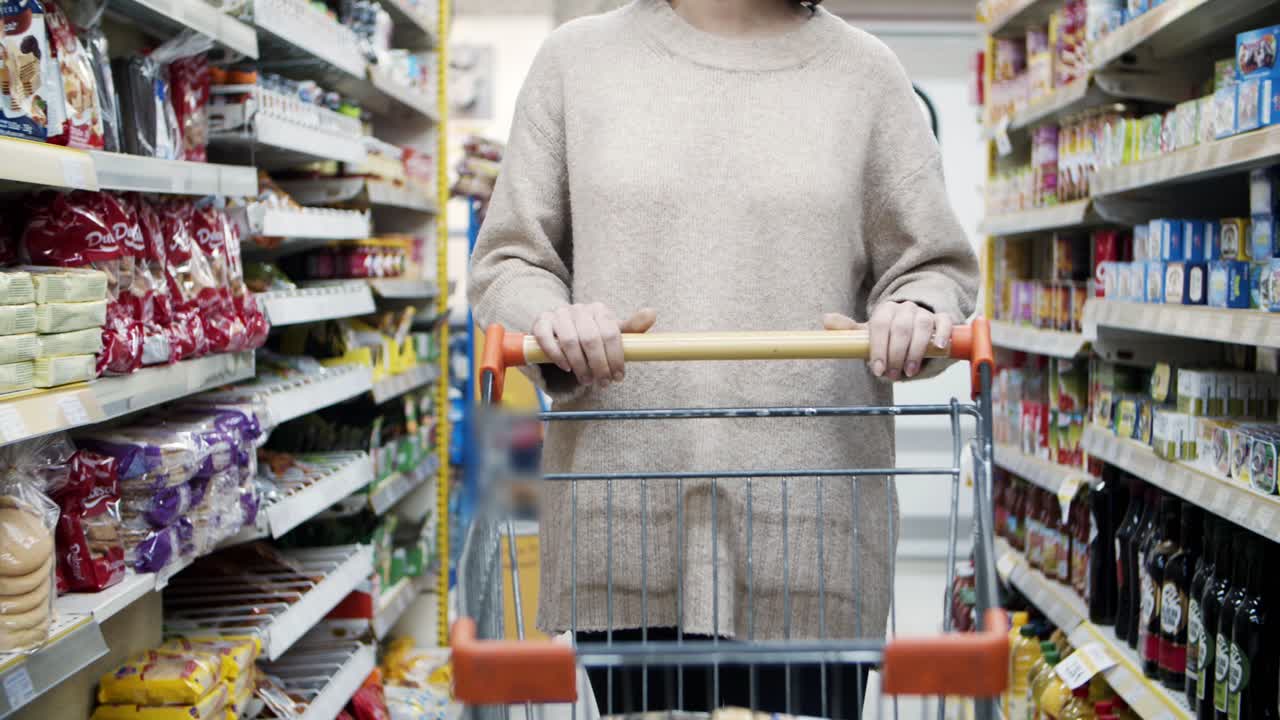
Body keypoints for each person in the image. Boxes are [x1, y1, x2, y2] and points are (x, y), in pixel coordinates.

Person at [468, 0, 980, 716]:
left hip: (811, 533)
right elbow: (509, 261)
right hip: (627, 523)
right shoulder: (576, 62)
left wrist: (916, 312)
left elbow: (936, 268)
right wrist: (550, 319)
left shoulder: (867, 75)